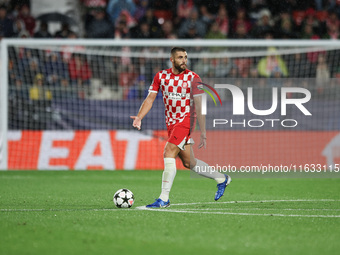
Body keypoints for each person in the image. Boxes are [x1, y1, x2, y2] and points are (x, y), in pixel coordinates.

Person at [130, 47, 231, 208]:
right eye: (180, 57)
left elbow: (199, 106)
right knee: (189, 162)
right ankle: (222, 179)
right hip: (171, 123)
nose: (184, 60)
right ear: (172, 59)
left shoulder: (193, 78)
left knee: (168, 151)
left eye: (185, 57)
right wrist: (139, 117)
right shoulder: (161, 76)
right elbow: (150, 99)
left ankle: (164, 199)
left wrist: (202, 131)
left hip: (186, 121)